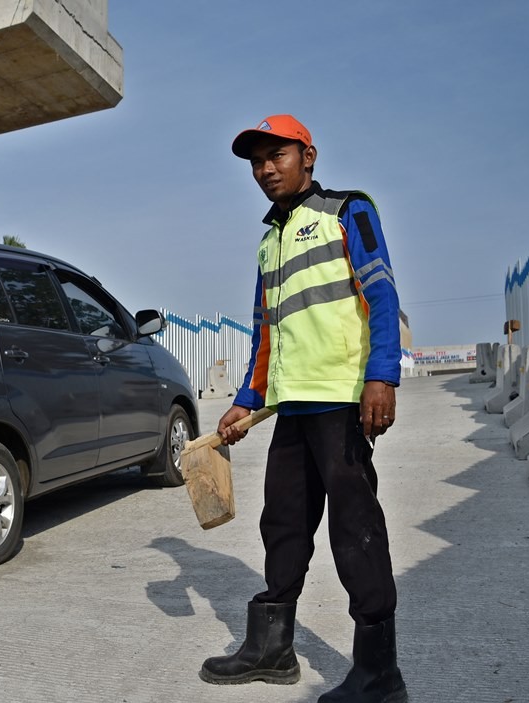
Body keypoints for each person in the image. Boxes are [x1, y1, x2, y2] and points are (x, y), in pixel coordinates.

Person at [198, 115, 408, 703]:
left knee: (354, 528)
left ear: (307, 156)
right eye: (256, 162)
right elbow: (267, 334)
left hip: (341, 404)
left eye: (277, 156)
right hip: (291, 409)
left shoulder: (347, 211)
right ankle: (272, 647)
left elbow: (382, 292)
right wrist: (245, 400)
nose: (265, 169)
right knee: (283, 524)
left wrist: (381, 376)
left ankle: (379, 674)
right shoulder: (269, 241)